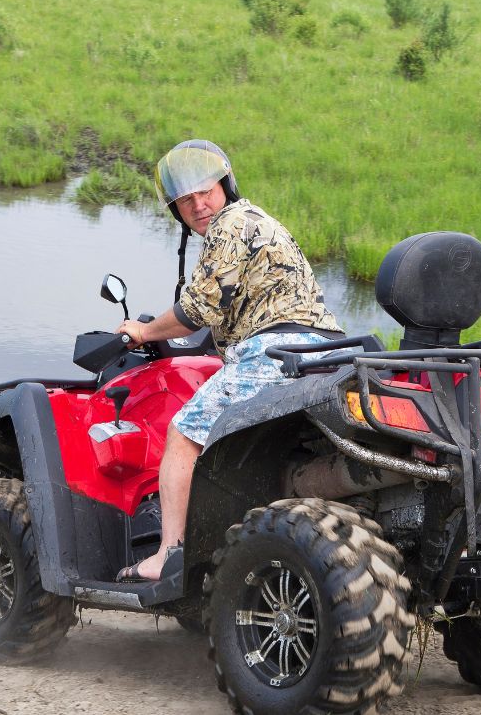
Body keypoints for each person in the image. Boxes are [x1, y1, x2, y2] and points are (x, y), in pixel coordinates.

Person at [114, 139, 343, 581]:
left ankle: (169, 554)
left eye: (206, 191)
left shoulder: (230, 224)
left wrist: (142, 331)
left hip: (274, 352)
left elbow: (196, 311)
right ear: (176, 209)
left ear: (226, 186)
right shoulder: (258, 221)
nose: (199, 205)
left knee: (183, 435)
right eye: (186, 199)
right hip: (323, 352)